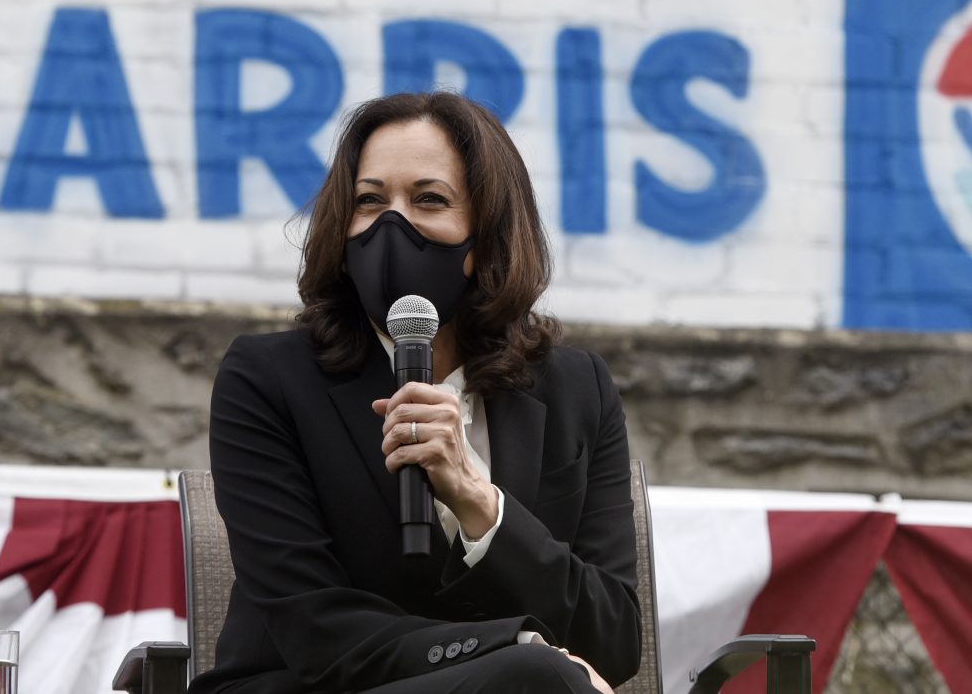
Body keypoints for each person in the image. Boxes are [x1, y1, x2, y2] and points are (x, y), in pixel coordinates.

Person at [190, 92, 641, 694]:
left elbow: (613, 639)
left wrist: (482, 505)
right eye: (369, 201)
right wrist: (514, 648)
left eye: (429, 199)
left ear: (487, 235)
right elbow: (313, 626)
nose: (391, 225)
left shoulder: (575, 388)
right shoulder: (268, 377)